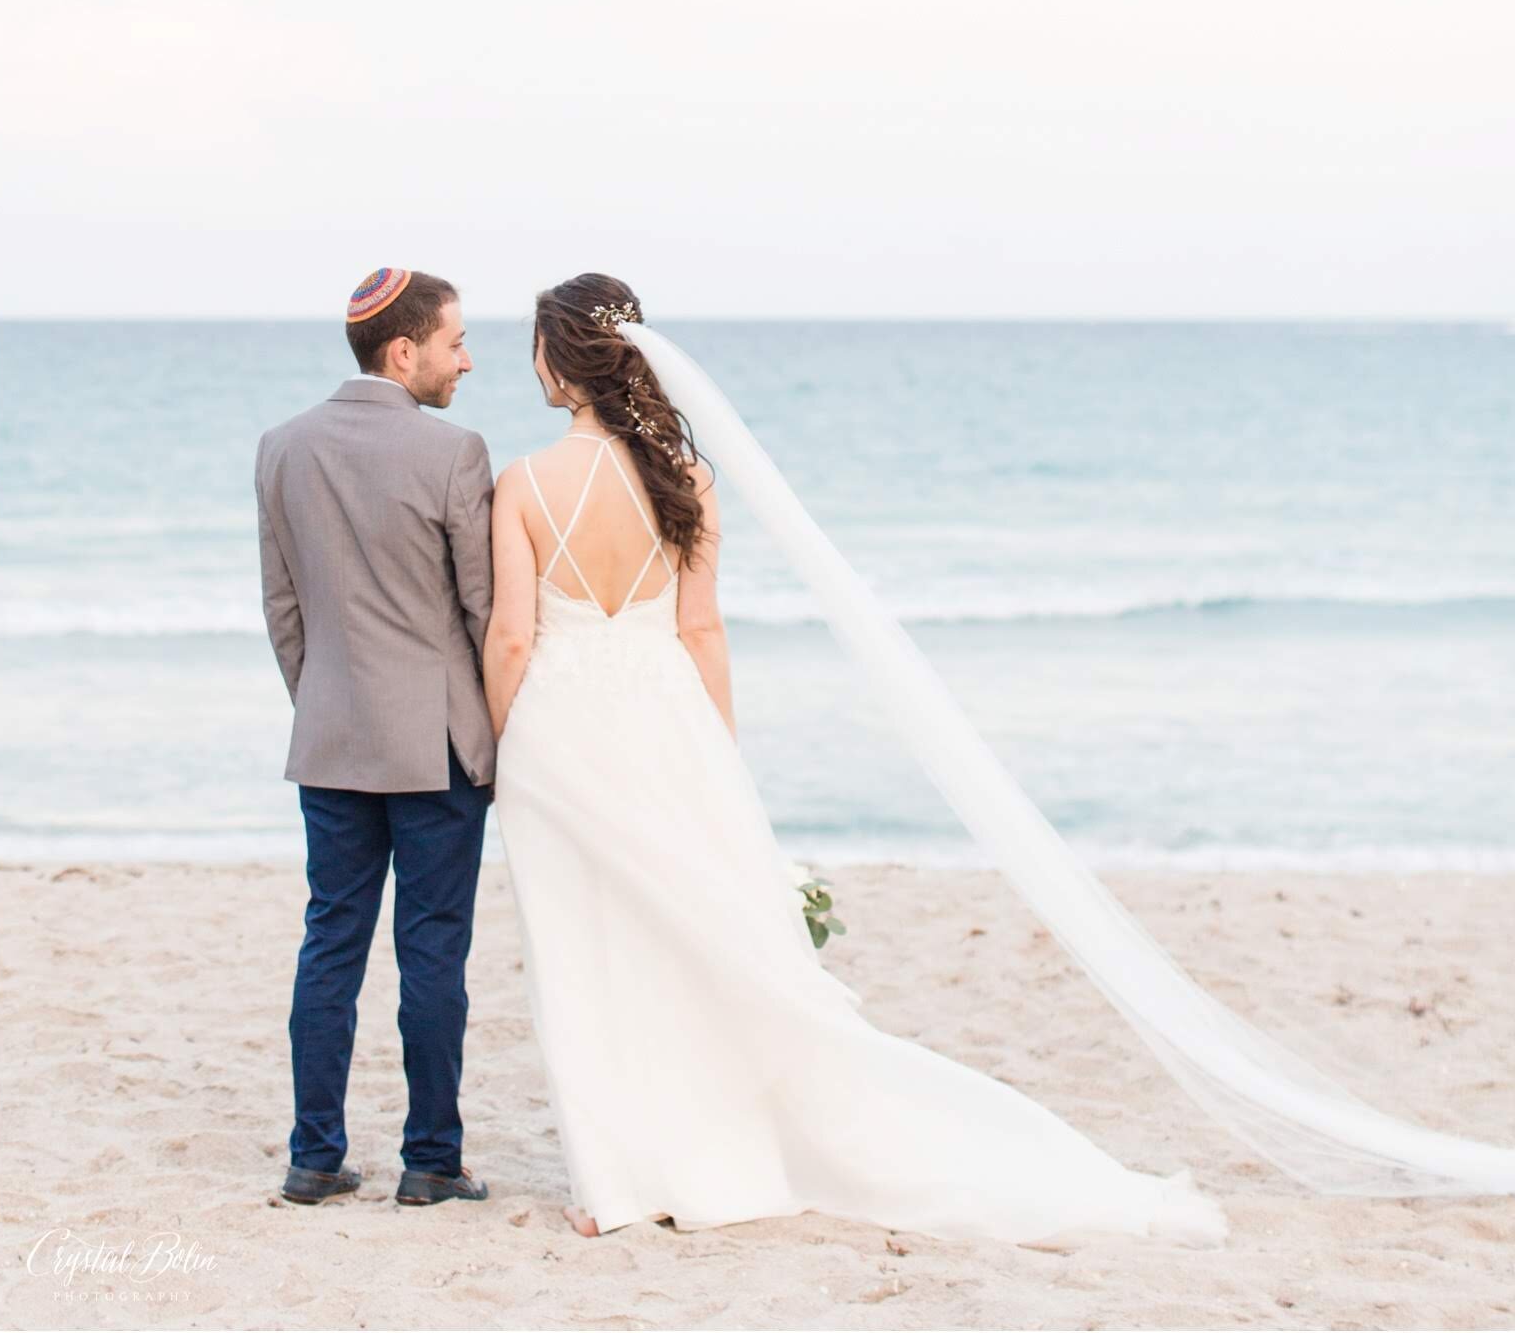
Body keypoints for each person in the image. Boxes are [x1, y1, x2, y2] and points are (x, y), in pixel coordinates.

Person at [482, 272, 1230, 1246]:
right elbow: (702, 628)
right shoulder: (687, 480)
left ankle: (614, 1182)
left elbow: (508, 638)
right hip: (668, 719)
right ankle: (703, 1152)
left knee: (586, 946)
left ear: (559, 357)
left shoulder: (525, 483)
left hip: (565, 727)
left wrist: (508, 748)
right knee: (695, 946)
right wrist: (720, 753)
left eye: (533, 343)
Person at [256, 268, 495, 1208]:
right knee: (433, 949)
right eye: (455, 341)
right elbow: (481, 609)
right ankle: (431, 1160)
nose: (465, 359)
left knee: (330, 942)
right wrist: (494, 736)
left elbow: (283, 610)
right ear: (404, 351)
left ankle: (314, 1156)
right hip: (435, 746)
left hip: (333, 737)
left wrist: (322, 702)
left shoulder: (281, 447)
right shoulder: (454, 452)